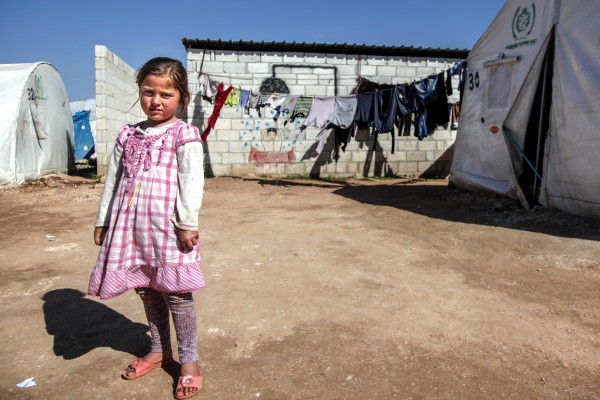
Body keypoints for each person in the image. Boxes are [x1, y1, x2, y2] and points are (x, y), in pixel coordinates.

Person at [88, 56, 205, 399]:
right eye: (148, 92)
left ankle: (190, 362)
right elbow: (114, 180)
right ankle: (159, 349)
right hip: (131, 230)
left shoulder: (184, 134)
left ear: (182, 97)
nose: (156, 100)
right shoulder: (128, 134)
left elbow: (191, 182)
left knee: (178, 296)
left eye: (166, 94)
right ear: (139, 91)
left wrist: (187, 223)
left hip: (168, 229)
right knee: (147, 289)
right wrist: (104, 219)